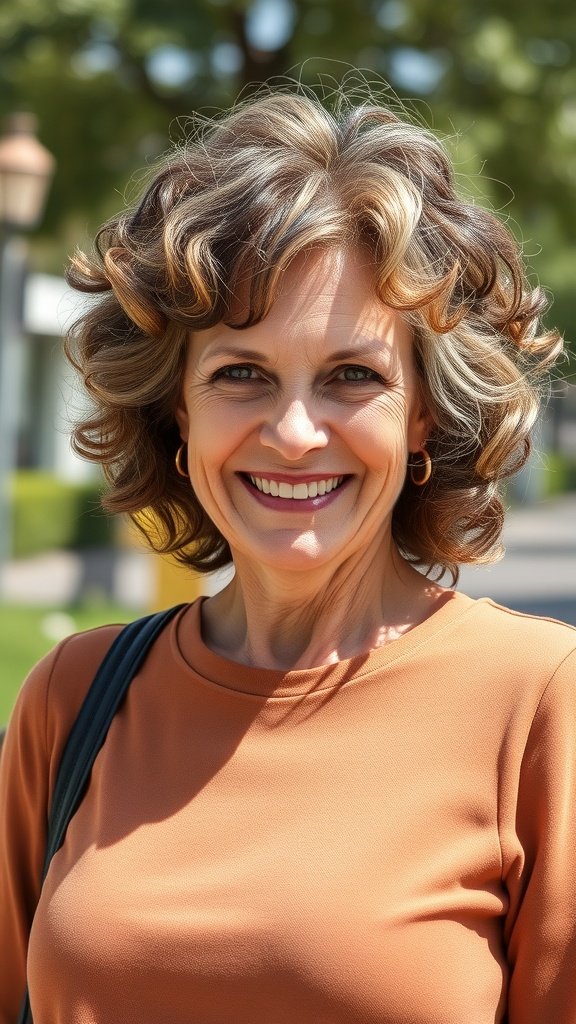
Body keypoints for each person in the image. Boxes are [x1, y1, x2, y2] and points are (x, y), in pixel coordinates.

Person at [1, 82, 575, 1024]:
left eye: (353, 375)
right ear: (176, 412)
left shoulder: (541, 705)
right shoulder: (72, 697)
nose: (295, 431)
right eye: (241, 375)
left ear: (423, 411)